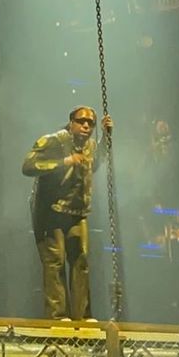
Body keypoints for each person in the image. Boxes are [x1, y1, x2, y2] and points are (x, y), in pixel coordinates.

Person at [22, 106, 113, 320]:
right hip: (51, 211)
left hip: (77, 213)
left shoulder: (90, 145)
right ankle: (57, 315)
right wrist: (63, 162)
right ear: (71, 122)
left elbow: (93, 164)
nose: (86, 126)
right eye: (81, 121)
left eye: (90, 123)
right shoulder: (54, 141)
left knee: (81, 261)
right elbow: (28, 166)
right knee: (55, 262)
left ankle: (82, 316)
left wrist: (105, 138)